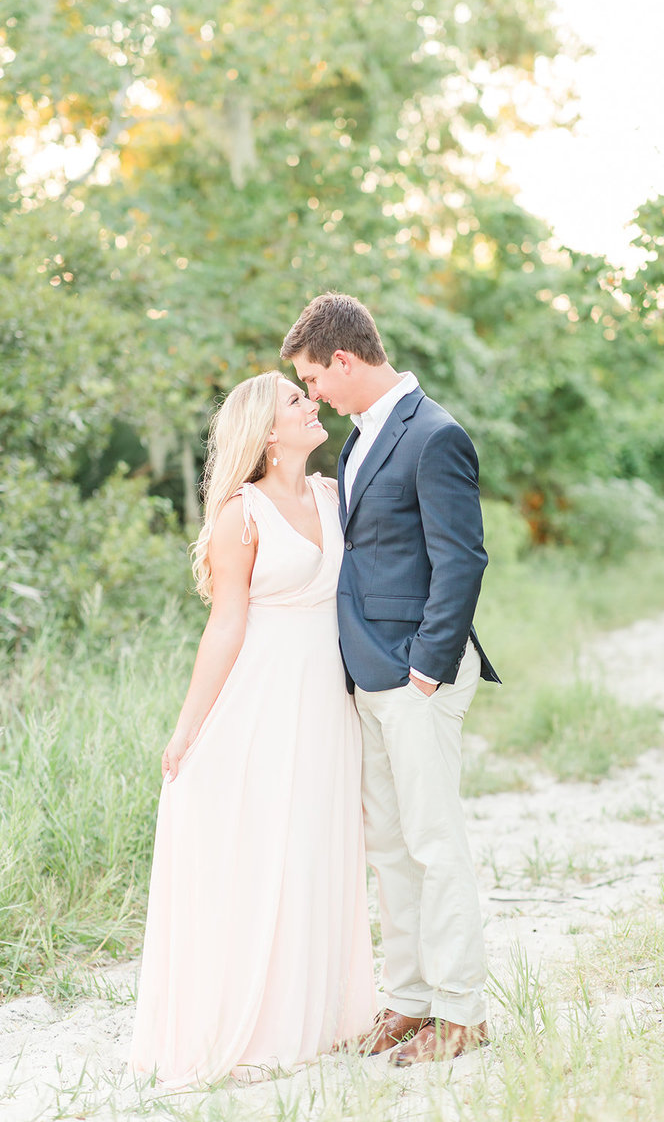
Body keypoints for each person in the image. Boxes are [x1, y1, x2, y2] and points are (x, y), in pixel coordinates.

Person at [129, 370, 376, 1087]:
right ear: (269, 431)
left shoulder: (333, 495)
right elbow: (226, 623)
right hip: (259, 699)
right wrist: (187, 732)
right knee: (262, 846)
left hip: (325, 698)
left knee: (315, 846)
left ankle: (317, 1015)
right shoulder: (242, 513)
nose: (312, 403)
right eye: (297, 400)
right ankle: (248, 1020)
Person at [281, 293, 500, 1067]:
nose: (313, 396)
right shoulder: (363, 434)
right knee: (393, 849)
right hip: (368, 674)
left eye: (313, 379)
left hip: (416, 675)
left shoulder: (434, 434)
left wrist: (429, 670)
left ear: (343, 359)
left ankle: (462, 1012)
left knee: (435, 845)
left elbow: (462, 558)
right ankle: (410, 1002)